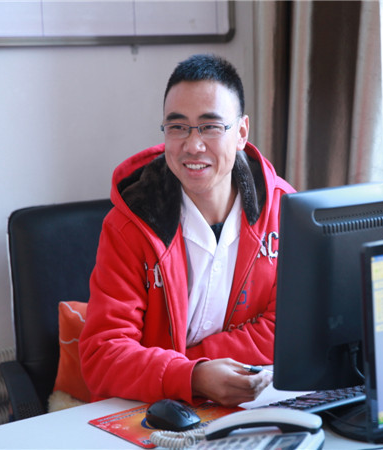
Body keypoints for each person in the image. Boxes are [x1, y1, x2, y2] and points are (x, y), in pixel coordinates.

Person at [79, 54, 295, 408]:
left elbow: (287, 327)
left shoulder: (283, 211)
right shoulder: (129, 225)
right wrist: (193, 376)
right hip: (146, 408)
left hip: (249, 400)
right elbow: (103, 355)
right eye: (177, 127)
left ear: (241, 133)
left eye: (210, 126)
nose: (193, 146)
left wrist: (194, 368)